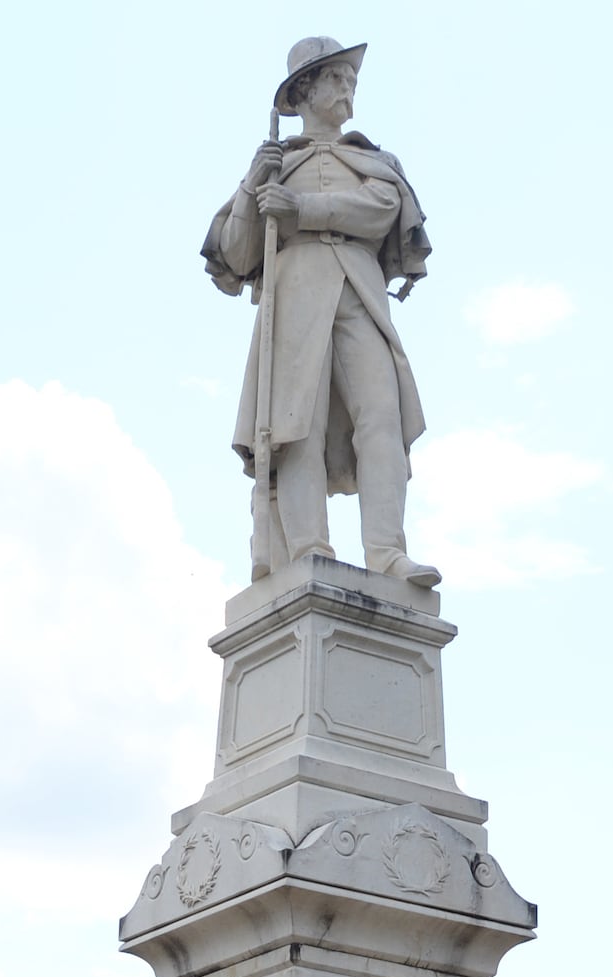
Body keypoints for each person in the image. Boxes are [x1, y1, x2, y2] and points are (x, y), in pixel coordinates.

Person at [201, 37, 439, 587]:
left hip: (360, 287)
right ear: (304, 89)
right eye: (335, 77)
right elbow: (234, 254)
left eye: (350, 79)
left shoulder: (373, 160)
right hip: (296, 292)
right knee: (295, 424)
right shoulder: (275, 163)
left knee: (381, 415)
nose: (348, 87)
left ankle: (387, 552)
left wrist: (300, 208)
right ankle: (308, 547)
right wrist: (250, 187)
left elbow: (382, 211)